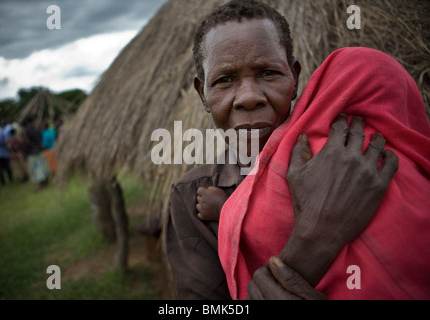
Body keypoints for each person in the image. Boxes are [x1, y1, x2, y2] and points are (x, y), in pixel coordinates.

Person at [165, 0, 403, 300]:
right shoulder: (191, 196)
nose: (249, 98)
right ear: (203, 94)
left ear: (295, 78)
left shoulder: (352, 156)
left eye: (267, 73)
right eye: (224, 80)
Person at [22, 116, 50, 189]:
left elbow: (28, 142)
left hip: (33, 152)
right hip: (40, 150)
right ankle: (46, 182)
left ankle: (41, 185)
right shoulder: (37, 129)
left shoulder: (26, 131)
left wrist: (35, 146)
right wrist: (39, 146)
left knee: (37, 169)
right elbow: (41, 138)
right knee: (43, 166)